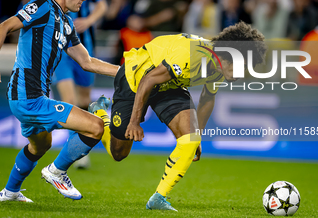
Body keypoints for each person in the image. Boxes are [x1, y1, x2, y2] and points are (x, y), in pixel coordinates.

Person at [89, 22, 267, 211]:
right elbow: (148, 80)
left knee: (189, 138)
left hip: (169, 85)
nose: (244, 71)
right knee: (119, 153)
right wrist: (134, 121)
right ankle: (100, 113)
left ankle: (158, 198)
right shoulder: (192, 55)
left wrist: (197, 136)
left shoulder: (220, 66)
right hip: (138, 77)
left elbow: (208, 98)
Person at [0, 0, 118, 202]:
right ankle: (57, 171)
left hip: (34, 97)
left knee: (40, 145)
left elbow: (87, 61)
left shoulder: (65, 23)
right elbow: (5, 26)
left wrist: (127, 72)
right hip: (27, 96)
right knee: (96, 126)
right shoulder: (42, 6)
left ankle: (10, 192)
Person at [34, 0, 107, 169]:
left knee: (84, 100)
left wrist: (88, 20)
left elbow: (102, 5)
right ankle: (75, 153)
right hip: (59, 50)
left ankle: (79, 144)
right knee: (70, 99)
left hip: (83, 47)